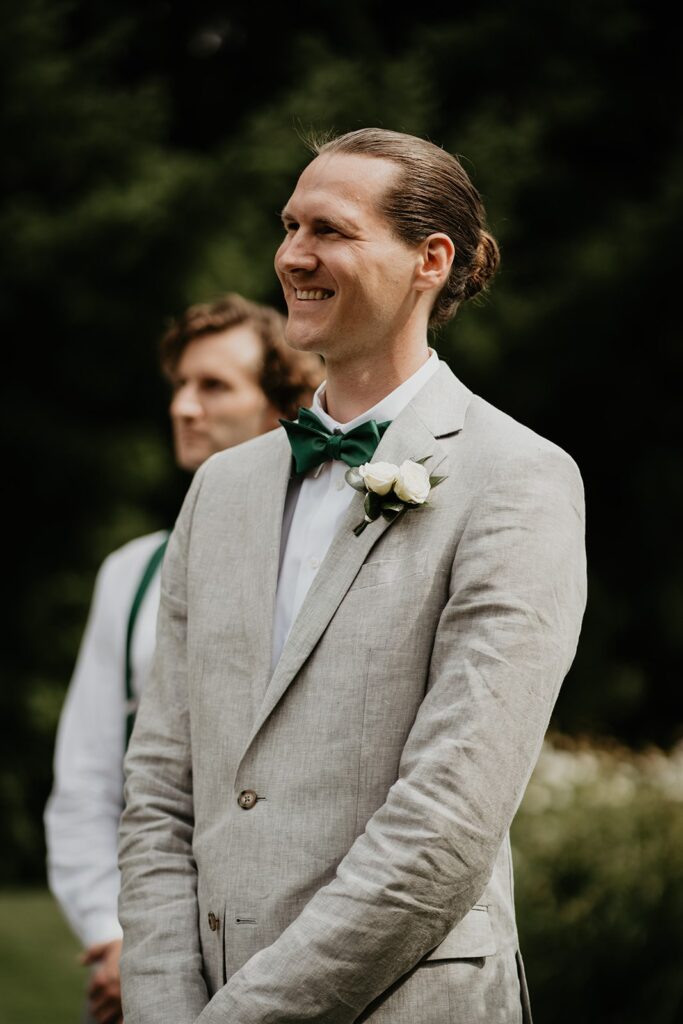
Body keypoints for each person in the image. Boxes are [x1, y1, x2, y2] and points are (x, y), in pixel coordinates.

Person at [118, 129, 587, 1024]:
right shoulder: (221, 488)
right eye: (288, 226)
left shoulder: (517, 478)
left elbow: (447, 823)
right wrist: (162, 1003)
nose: (291, 255)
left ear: (429, 260)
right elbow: (157, 789)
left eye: (328, 230)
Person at [44, 292, 323, 1024]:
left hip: (306, 945)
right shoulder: (132, 573)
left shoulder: (327, 559)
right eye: (179, 386)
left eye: (214, 386)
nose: (183, 407)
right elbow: (88, 778)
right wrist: (115, 940)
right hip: (151, 948)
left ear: (279, 406)